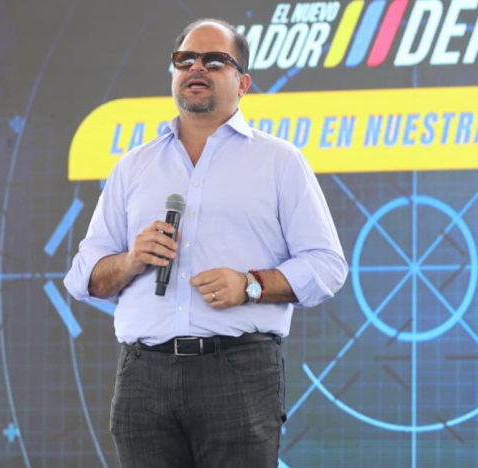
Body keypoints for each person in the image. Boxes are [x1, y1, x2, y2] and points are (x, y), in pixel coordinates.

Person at [63, 18, 347, 468]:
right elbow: (86, 278)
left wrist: (250, 285)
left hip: (237, 371)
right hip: (143, 377)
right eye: (185, 59)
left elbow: (327, 266)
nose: (197, 68)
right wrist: (132, 259)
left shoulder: (279, 161)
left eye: (214, 60)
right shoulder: (133, 166)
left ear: (243, 83)